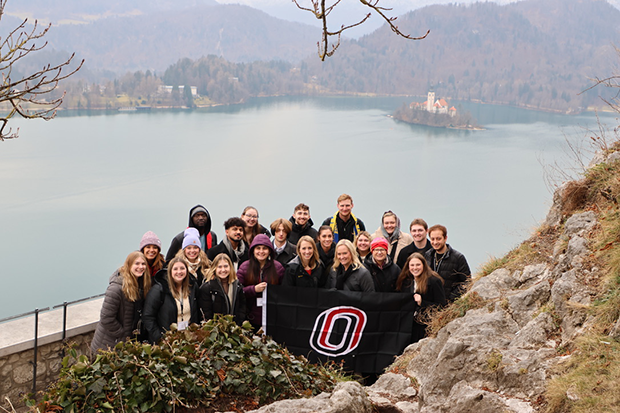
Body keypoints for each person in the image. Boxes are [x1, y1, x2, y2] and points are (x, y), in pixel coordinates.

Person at [91, 251, 152, 352]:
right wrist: (123, 333)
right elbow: (106, 318)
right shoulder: (116, 289)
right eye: (136, 263)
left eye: (143, 264)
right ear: (128, 265)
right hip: (108, 346)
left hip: (122, 343)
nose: (140, 267)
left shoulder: (140, 285)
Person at [143, 257, 200, 344]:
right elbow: (148, 317)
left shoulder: (192, 287)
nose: (179, 272)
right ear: (170, 271)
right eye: (175, 269)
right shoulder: (159, 289)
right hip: (167, 342)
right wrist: (160, 338)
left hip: (188, 340)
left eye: (182, 268)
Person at [237, 234, 285, 330]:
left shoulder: (278, 268)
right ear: (253, 250)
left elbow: (283, 292)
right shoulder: (244, 267)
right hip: (249, 318)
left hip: (272, 317)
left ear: (270, 251)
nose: (261, 251)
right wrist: (254, 289)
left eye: (264, 248)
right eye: (258, 248)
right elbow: (238, 291)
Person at [395, 253, 446, 343]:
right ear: (408, 267)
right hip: (408, 326)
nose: (415, 268)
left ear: (424, 265)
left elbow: (441, 306)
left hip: (426, 326)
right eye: (412, 265)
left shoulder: (434, 281)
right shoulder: (405, 282)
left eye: (418, 265)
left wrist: (422, 302)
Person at [424, 225, 471, 302]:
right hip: (431, 303)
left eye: (438, 239)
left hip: (449, 304)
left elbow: (467, 282)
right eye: (432, 239)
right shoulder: (427, 255)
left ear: (445, 238)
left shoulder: (458, 257)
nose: (435, 242)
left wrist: (451, 298)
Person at [198, 253, 246, 325]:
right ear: (215, 268)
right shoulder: (207, 288)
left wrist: (239, 323)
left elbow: (242, 306)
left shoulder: (237, 286)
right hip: (215, 329)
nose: (223, 270)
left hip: (234, 328)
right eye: (219, 267)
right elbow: (206, 312)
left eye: (226, 266)